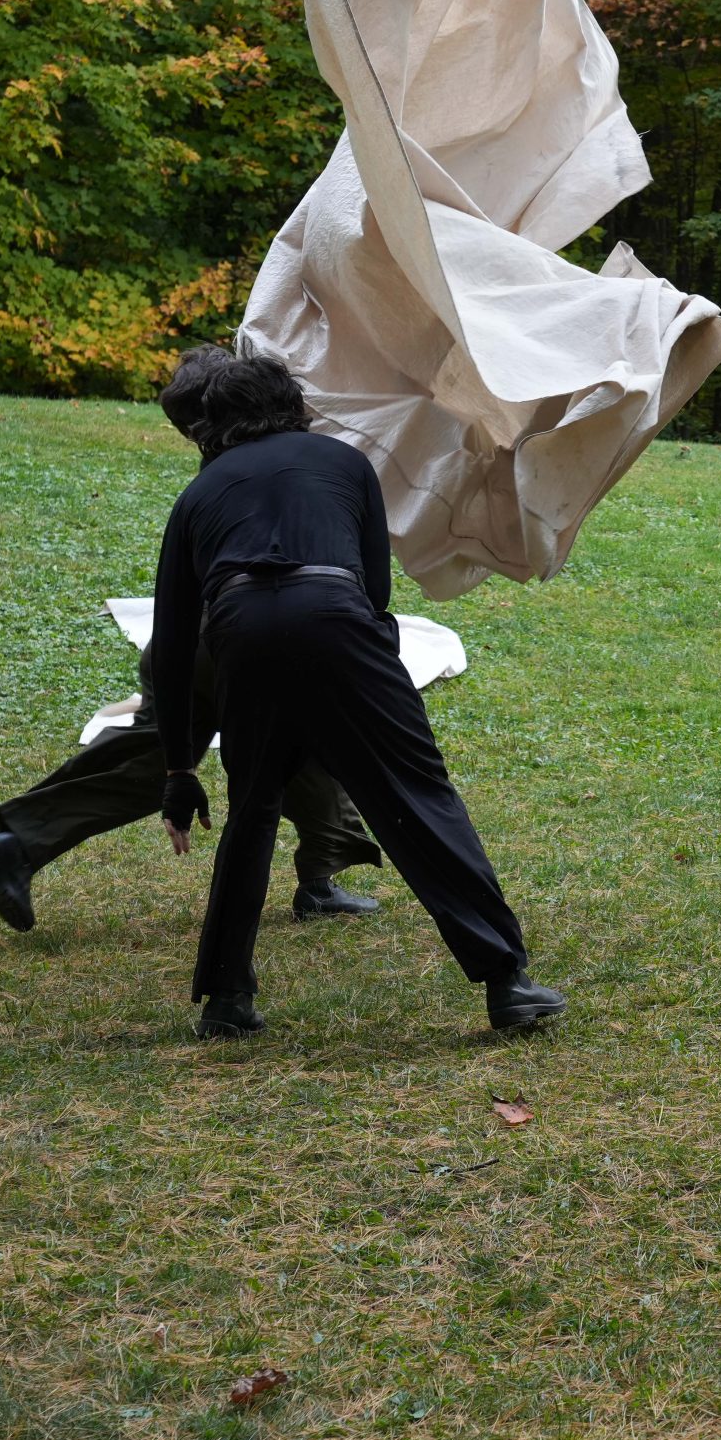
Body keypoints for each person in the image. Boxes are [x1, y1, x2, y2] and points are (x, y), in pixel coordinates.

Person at [147, 353, 565, 1037]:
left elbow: (172, 637)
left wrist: (177, 770)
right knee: (417, 795)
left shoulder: (199, 494)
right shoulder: (344, 464)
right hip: (338, 618)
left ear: (214, 423)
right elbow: (374, 589)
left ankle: (226, 1000)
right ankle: (506, 982)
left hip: (242, 635)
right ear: (294, 405)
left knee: (251, 812)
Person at [0, 349, 382, 933]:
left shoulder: (218, 465)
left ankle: (21, 836)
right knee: (301, 741)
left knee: (161, 757)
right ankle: (319, 876)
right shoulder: (264, 463)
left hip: (195, 637)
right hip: (243, 630)